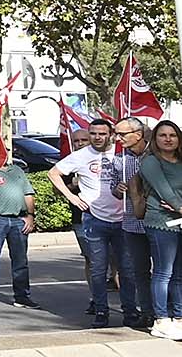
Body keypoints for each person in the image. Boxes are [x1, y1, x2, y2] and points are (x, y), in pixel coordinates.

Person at [54, 117, 125, 325]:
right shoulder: (80, 156)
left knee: (126, 268)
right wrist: (72, 197)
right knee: (97, 268)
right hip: (94, 219)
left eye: (102, 133)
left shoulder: (121, 153)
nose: (97, 137)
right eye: (93, 133)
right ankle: (101, 311)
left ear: (110, 134)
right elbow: (54, 173)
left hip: (122, 218)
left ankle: (130, 310)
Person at [132, 120, 182, 338]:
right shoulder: (150, 162)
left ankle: (179, 318)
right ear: (155, 139)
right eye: (163, 135)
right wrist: (179, 206)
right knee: (163, 272)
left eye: (173, 135)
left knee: (179, 274)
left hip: (180, 222)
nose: (168, 139)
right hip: (161, 223)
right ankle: (161, 320)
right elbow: (165, 191)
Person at [112, 116, 154, 330]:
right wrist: (117, 189)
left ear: (138, 135)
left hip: (158, 222)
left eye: (122, 134)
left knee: (166, 272)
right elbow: (113, 189)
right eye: (116, 134)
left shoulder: (155, 155)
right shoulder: (119, 160)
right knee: (139, 272)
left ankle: (169, 312)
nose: (117, 138)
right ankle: (147, 313)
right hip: (131, 223)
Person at [0, 157, 35, 310]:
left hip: (18, 219)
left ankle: (22, 297)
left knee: (20, 260)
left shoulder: (16, 170)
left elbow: (28, 194)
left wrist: (30, 215)